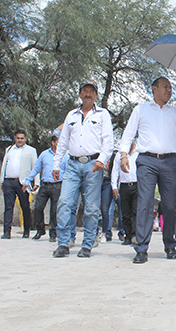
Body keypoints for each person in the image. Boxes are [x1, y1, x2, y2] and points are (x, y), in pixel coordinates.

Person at [119, 77, 176, 264]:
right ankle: (142, 248)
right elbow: (128, 133)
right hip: (146, 161)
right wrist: (123, 154)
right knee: (144, 203)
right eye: (165, 87)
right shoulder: (141, 109)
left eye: (170, 87)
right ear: (154, 89)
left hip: (170, 162)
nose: (169, 90)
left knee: (170, 206)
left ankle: (169, 244)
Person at [52, 80, 114, 258]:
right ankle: (63, 243)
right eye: (84, 91)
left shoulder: (103, 114)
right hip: (72, 165)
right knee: (64, 202)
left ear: (96, 95)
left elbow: (108, 141)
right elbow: (63, 142)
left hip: (93, 165)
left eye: (91, 91)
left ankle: (87, 244)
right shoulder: (71, 115)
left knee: (92, 207)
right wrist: (56, 164)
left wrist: (102, 160)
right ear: (79, 94)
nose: (88, 94)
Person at [22, 135, 69, 242]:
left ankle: (53, 233)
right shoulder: (44, 154)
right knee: (38, 207)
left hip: (57, 185)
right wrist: (28, 180)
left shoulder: (65, 156)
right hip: (45, 185)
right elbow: (36, 168)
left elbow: (68, 172)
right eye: (58, 142)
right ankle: (40, 229)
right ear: (53, 143)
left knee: (54, 211)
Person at [0, 129, 38, 239]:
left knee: (25, 206)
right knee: (8, 207)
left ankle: (26, 230)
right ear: (14, 138)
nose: (20, 140)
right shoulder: (9, 149)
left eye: (22, 138)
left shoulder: (31, 150)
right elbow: (4, 165)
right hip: (9, 181)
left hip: (23, 183)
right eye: (18, 138)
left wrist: (36, 182)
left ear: (26, 139)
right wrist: (2, 181)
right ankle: (7, 231)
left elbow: (35, 167)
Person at [112, 141, 139, 246]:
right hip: (124, 186)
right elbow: (115, 171)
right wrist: (114, 186)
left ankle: (135, 235)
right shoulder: (119, 154)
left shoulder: (139, 152)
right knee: (125, 213)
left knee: (136, 211)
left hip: (137, 185)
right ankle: (127, 236)